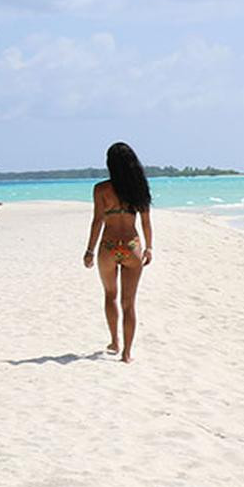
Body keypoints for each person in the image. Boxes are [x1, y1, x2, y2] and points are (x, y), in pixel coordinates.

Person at [84, 141, 153, 362]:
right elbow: (146, 222)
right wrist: (149, 247)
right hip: (132, 247)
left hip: (108, 247)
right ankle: (127, 353)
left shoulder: (101, 190)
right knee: (129, 302)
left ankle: (115, 341)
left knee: (110, 295)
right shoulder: (139, 189)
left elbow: (97, 221)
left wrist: (89, 250)